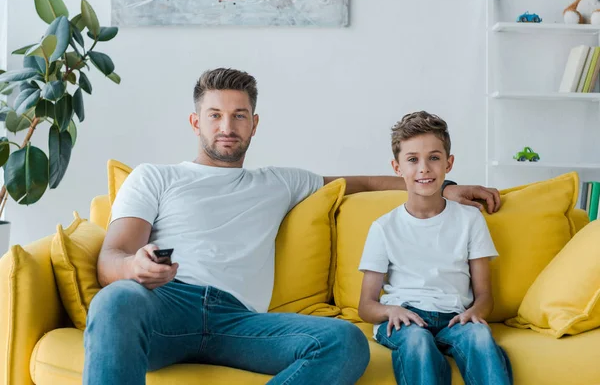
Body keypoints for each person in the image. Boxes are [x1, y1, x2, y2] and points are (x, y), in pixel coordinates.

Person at [83, 69, 502, 385]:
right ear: (196, 122)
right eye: (214, 115)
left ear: (254, 123)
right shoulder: (154, 177)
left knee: (345, 342)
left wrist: (446, 187)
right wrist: (135, 269)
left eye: (238, 115)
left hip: (239, 321)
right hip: (166, 306)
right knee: (116, 298)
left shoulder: (280, 182)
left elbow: (365, 182)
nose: (226, 127)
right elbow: (111, 260)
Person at [357, 111, 512, 385]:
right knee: (417, 341)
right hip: (405, 318)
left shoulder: (470, 219)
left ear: (449, 163)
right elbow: (366, 306)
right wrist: (391, 311)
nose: (424, 168)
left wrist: (474, 314)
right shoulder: (384, 227)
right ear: (397, 168)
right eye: (413, 160)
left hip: (455, 318)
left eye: (434, 158)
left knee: (479, 336)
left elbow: (485, 294)